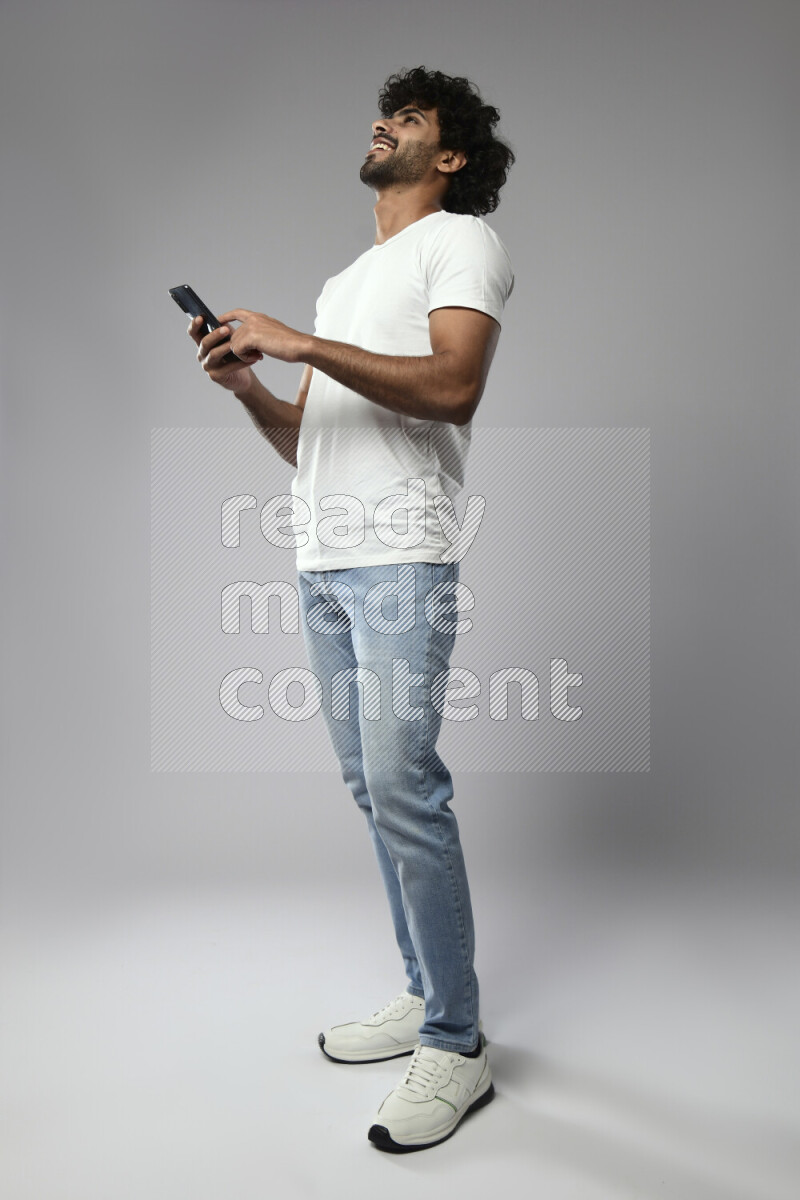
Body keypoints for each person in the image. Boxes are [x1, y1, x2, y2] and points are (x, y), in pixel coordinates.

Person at [188, 65, 514, 1152]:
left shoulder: (455, 242)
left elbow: (452, 386)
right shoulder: (344, 281)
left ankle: (459, 1044)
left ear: (450, 154)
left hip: (399, 562)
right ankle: (427, 995)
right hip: (324, 560)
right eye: (386, 114)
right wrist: (251, 388)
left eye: (410, 118)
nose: (383, 125)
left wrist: (299, 342)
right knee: (369, 787)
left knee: (402, 787)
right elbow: (308, 441)